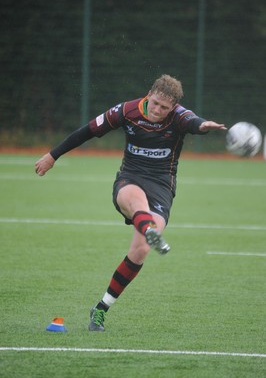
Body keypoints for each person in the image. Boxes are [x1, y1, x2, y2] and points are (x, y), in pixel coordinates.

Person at [35, 74, 226, 331]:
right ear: (149, 94)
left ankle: (101, 308)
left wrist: (203, 126)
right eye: (155, 103)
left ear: (173, 107)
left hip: (161, 185)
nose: (158, 110)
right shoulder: (126, 111)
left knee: (141, 251)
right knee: (137, 205)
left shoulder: (179, 116)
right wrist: (52, 155)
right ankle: (148, 229)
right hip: (130, 178)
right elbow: (87, 131)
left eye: (165, 107)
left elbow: (193, 122)